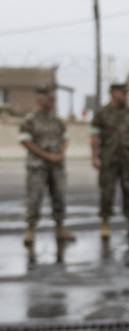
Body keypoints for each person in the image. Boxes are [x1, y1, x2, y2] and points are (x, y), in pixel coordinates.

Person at [19, 86, 74, 250]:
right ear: (39, 100)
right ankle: (31, 230)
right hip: (37, 166)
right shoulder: (30, 120)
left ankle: (60, 229)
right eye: (49, 99)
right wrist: (45, 155)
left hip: (57, 166)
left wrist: (61, 153)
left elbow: (65, 138)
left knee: (59, 197)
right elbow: (25, 141)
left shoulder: (57, 121)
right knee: (34, 199)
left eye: (53, 99)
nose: (52, 102)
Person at [89, 80, 129, 239]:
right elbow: (94, 136)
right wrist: (94, 156)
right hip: (108, 158)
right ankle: (105, 224)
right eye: (123, 93)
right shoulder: (102, 113)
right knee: (107, 191)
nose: (126, 96)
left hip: (127, 158)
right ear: (114, 94)